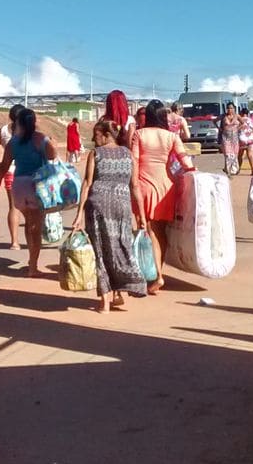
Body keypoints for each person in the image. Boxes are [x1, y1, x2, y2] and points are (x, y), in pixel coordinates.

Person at [72, 120, 148, 313]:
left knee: (101, 251)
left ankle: (105, 302)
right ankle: (120, 292)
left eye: (96, 135)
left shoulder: (95, 154)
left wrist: (78, 214)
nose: (92, 139)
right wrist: (141, 215)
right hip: (122, 206)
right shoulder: (128, 154)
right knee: (120, 247)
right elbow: (135, 186)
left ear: (106, 135)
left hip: (98, 206)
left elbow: (87, 184)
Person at [0, 108, 57, 277]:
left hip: (19, 186)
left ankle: (30, 260)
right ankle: (33, 265)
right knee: (37, 225)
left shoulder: (13, 142)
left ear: (18, 123)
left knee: (29, 223)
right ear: (34, 123)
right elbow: (52, 155)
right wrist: (48, 142)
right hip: (37, 186)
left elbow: (4, 166)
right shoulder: (40, 139)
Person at [132, 99, 189, 294]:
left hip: (145, 184)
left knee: (151, 230)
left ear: (147, 115)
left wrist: (133, 186)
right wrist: (194, 172)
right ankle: (157, 272)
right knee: (161, 231)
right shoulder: (170, 136)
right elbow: (184, 159)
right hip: (167, 186)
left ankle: (156, 275)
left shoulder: (139, 134)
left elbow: (135, 161)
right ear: (164, 117)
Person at [0, 105, 25, 250]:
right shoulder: (31, 131)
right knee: (31, 209)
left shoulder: (4, 130)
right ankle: (33, 242)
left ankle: (14, 242)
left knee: (13, 207)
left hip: (10, 172)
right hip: (29, 173)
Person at [218, 102, 243, 175]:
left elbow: (243, 123)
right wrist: (219, 128)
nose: (229, 110)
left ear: (234, 109)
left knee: (234, 154)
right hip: (226, 137)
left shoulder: (237, 116)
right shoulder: (223, 116)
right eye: (228, 108)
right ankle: (228, 170)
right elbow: (214, 121)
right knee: (227, 154)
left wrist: (237, 128)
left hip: (234, 138)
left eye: (231, 108)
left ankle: (234, 169)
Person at [238, 106, 253, 173]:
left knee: (240, 155)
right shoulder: (252, 121)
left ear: (241, 113)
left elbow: (236, 130)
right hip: (251, 139)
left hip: (241, 139)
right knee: (250, 155)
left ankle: (238, 169)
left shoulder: (239, 120)